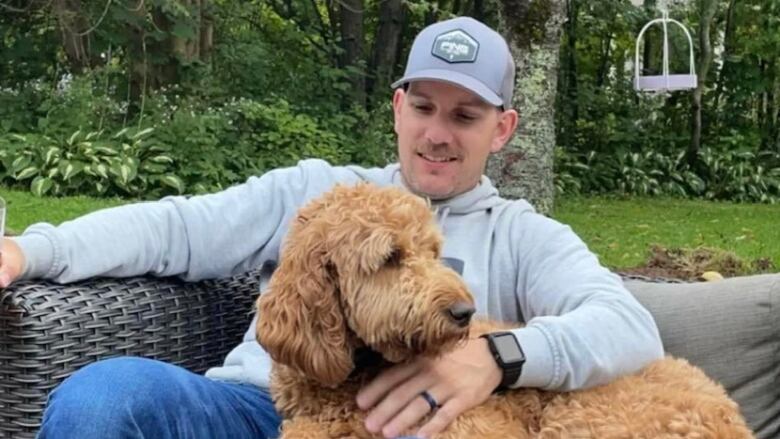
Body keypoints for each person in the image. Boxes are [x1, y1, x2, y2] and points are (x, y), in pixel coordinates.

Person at [0, 16, 663, 439]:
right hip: (256, 409)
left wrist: (496, 358)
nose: (436, 134)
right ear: (399, 107)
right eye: (425, 107)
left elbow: (628, 325)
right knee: (104, 396)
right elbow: (179, 228)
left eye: (464, 117)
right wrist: (30, 249)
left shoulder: (523, 235)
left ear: (503, 129)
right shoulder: (316, 190)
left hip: (394, 421)